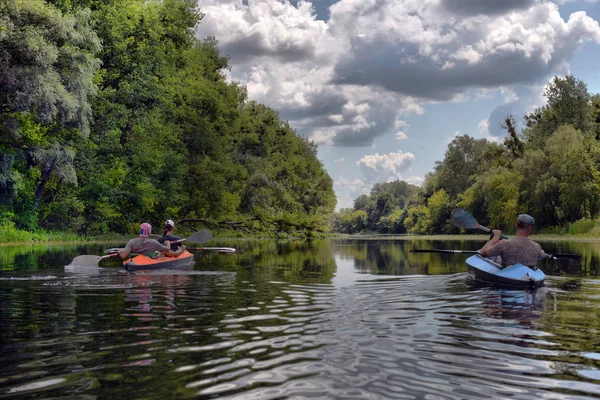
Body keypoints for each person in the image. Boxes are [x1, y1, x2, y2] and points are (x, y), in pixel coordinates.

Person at [480, 214, 545, 267]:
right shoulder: (536, 247)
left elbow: (483, 253)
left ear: (516, 225)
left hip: (508, 279)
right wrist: (542, 252)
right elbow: (542, 255)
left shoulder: (504, 244)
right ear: (530, 228)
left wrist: (495, 237)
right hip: (528, 279)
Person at [118, 222, 185, 259]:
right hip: (148, 261)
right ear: (149, 232)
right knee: (159, 255)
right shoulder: (153, 242)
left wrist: (121, 252)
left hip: (134, 262)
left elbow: (123, 256)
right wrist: (168, 243)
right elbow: (167, 249)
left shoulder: (131, 242)